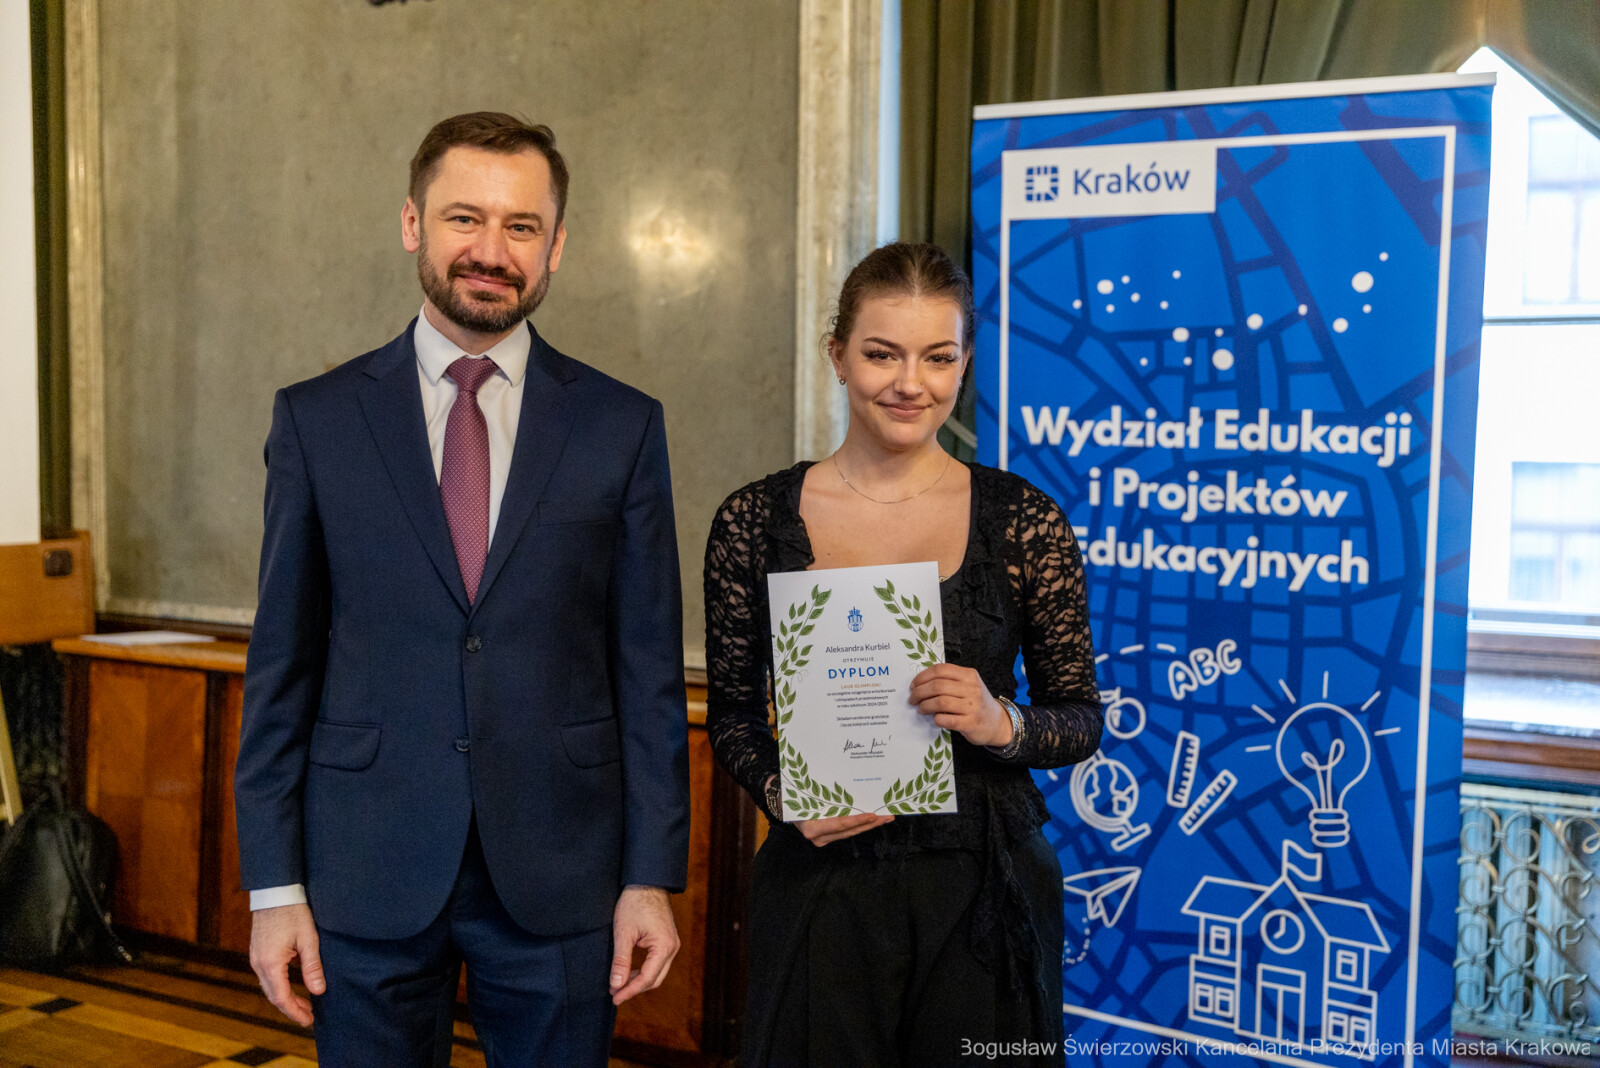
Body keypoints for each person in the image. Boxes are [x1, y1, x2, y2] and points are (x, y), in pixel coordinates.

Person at [234, 112, 689, 1068]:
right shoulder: (318, 421)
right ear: (412, 223)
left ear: (556, 246)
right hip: (364, 870)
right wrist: (274, 889)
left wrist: (650, 877)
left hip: (564, 876)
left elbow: (646, 673)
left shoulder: (621, 426)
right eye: (464, 218)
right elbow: (282, 667)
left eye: (522, 226)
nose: (492, 251)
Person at [703, 242, 1102, 1067]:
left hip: (983, 884)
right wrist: (783, 794)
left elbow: (1079, 718)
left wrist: (1000, 722)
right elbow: (734, 714)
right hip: (821, 879)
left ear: (964, 362)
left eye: (938, 357)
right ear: (837, 355)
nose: (910, 383)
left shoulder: (1024, 521)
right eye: (882, 354)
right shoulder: (753, 520)